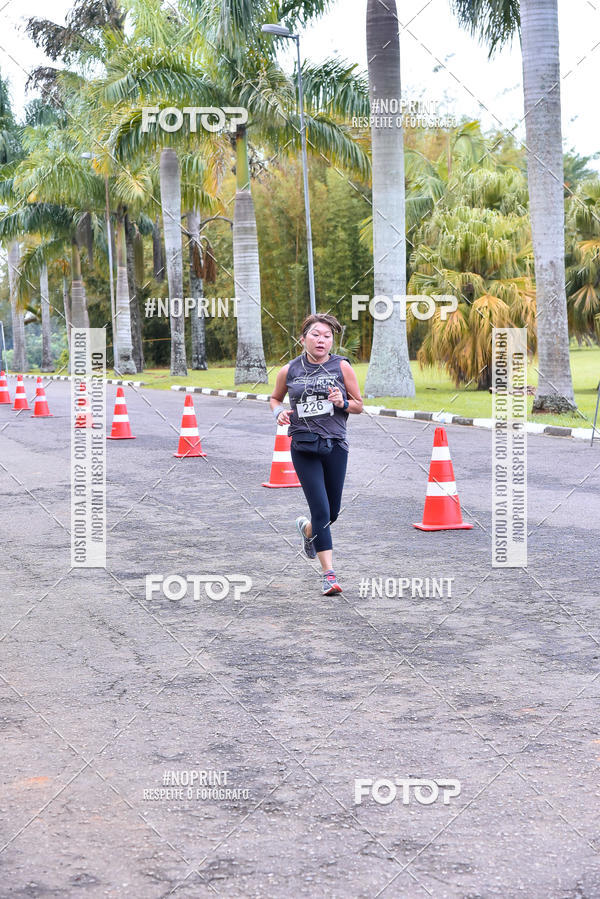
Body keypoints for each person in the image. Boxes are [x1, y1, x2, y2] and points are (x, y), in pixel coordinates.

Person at [269, 313, 363, 595]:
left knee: (331, 512)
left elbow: (359, 405)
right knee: (321, 510)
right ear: (303, 339)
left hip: (335, 445)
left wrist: (342, 402)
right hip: (304, 446)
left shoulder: (342, 366)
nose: (321, 340)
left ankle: (309, 530)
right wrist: (278, 411)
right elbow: (274, 398)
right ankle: (329, 575)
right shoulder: (289, 370)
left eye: (327, 336)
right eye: (315, 335)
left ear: (332, 341)